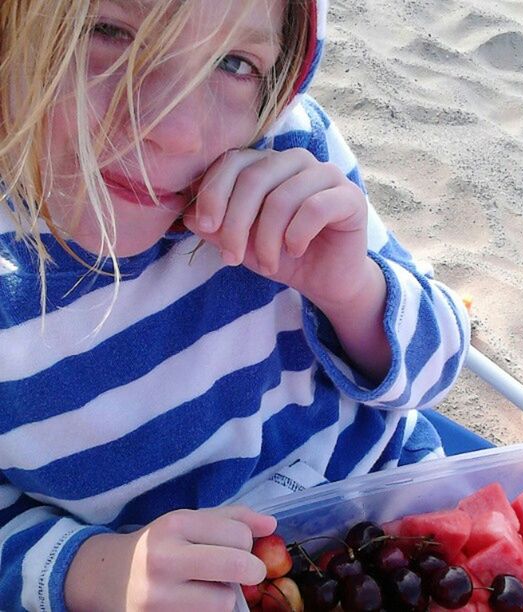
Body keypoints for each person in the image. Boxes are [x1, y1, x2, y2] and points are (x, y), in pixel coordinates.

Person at [0, 0, 470, 609]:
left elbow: (437, 369)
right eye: (108, 32)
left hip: (398, 526)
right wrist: (93, 572)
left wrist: (350, 290)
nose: (174, 128)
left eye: (233, 62)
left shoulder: (289, 154)